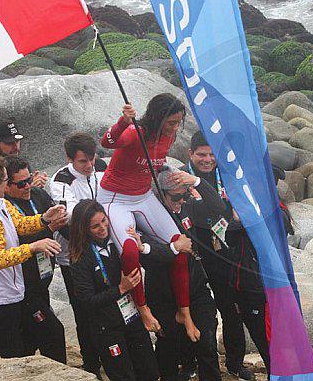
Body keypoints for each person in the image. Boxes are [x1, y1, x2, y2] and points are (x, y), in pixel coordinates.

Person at [97, 93, 207, 341]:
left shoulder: (168, 136)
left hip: (143, 194)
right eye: (171, 123)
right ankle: (143, 307)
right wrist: (123, 121)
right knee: (129, 249)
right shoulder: (137, 132)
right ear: (158, 118)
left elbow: (155, 166)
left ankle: (184, 312)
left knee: (180, 243)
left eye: (178, 122)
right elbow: (107, 142)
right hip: (115, 197)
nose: (175, 128)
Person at [181, 131, 277, 377]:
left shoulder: (225, 172)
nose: (207, 159)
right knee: (198, 313)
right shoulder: (181, 177)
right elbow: (203, 215)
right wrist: (225, 215)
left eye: (212, 154)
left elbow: (236, 214)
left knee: (232, 309)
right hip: (194, 256)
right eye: (201, 154)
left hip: (227, 253)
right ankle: (191, 362)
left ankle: (235, 363)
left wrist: (227, 217)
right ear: (190, 154)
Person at [0, 156, 65, 358]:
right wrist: (33, 247)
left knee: (26, 345)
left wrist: (44, 219)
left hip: (10, 291)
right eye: (6, 180)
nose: (8, 185)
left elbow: (19, 224)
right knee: (12, 354)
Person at [141, 166, 225, 381]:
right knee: (169, 349)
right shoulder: (145, 217)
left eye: (184, 195)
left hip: (196, 290)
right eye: (176, 197)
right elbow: (144, 257)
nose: (181, 202)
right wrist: (173, 249)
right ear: (160, 195)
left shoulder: (187, 208)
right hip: (164, 296)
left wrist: (196, 182)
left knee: (206, 344)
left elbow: (218, 209)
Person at [69, 199, 159, 381]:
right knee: (123, 375)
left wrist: (140, 247)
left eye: (104, 221)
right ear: (84, 229)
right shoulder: (80, 257)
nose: (103, 228)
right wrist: (120, 289)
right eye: (95, 226)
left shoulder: (118, 241)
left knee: (149, 370)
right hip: (106, 326)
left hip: (131, 316)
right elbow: (87, 301)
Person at [49, 132, 107, 375]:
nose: (90, 166)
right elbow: (69, 217)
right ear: (69, 158)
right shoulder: (60, 179)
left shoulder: (100, 168)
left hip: (103, 246)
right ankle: (91, 363)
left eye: (92, 159)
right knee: (84, 310)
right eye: (83, 161)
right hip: (73, 253)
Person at [4, 156, 68, 363]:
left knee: (31, 338)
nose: (27, 186)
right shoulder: (5, 208)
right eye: (21, 183)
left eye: (29, 179)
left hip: (43, 278)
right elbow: (15, 238)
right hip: (23, 285)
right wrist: (48, 229)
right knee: (53, 332)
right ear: (6, 185)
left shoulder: (38, 194)